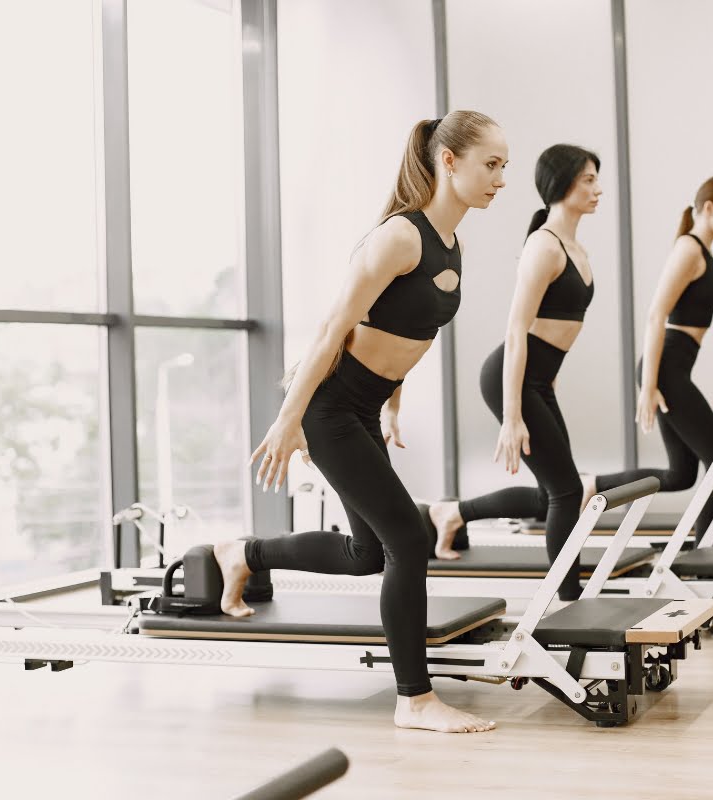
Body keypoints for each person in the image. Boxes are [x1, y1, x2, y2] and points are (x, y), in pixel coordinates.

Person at [213, 111, 507, 733]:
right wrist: (289, 420)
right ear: (448, 161)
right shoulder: (399, 237)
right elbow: (331, 329)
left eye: (504, 165)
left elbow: (406, 326)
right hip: (327, 405)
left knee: (367, 553)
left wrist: (393, 398)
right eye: (491, 163)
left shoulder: (452, 241)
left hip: (363, 404)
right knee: (409, 539)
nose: (500, 178)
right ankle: (414, 700)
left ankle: (242, 554)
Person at [429, 144, 601, 603]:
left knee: (554, 495)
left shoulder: (574, 246)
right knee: (568, 490)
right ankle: (567, 604)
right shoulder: (544, 246)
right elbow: (517, 330)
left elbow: (554, 335)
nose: (596, 189)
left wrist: (548, 388)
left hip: (539, 381)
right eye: (587, 179)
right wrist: (512, 415)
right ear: (561, 184)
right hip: (512, 377)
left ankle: (454, 513)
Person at [583, 176, 713, 538]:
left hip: (674, 368)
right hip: (667, 369)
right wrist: (650, 385)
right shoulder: (689, 249)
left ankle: (592, 486)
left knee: (682, 475)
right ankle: (706, 555)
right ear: (709, 208)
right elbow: (657, 314)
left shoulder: (701, 249)